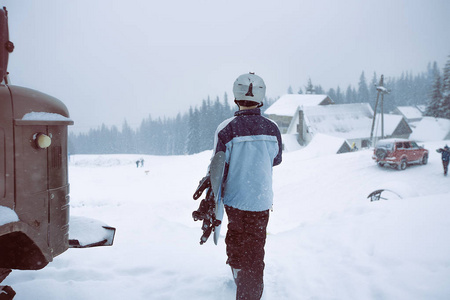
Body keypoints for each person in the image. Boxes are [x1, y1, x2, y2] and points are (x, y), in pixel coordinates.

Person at [209, 72, 282, 299]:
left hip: (235, 199)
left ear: (236, 96)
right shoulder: (272, 128)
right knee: (255, 245)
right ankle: (249, 283)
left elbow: (218, 167)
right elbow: (276, 159)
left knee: (236, 234)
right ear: (261, 98)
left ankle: (238, 271)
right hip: (260, 200)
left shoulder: (226, 128)